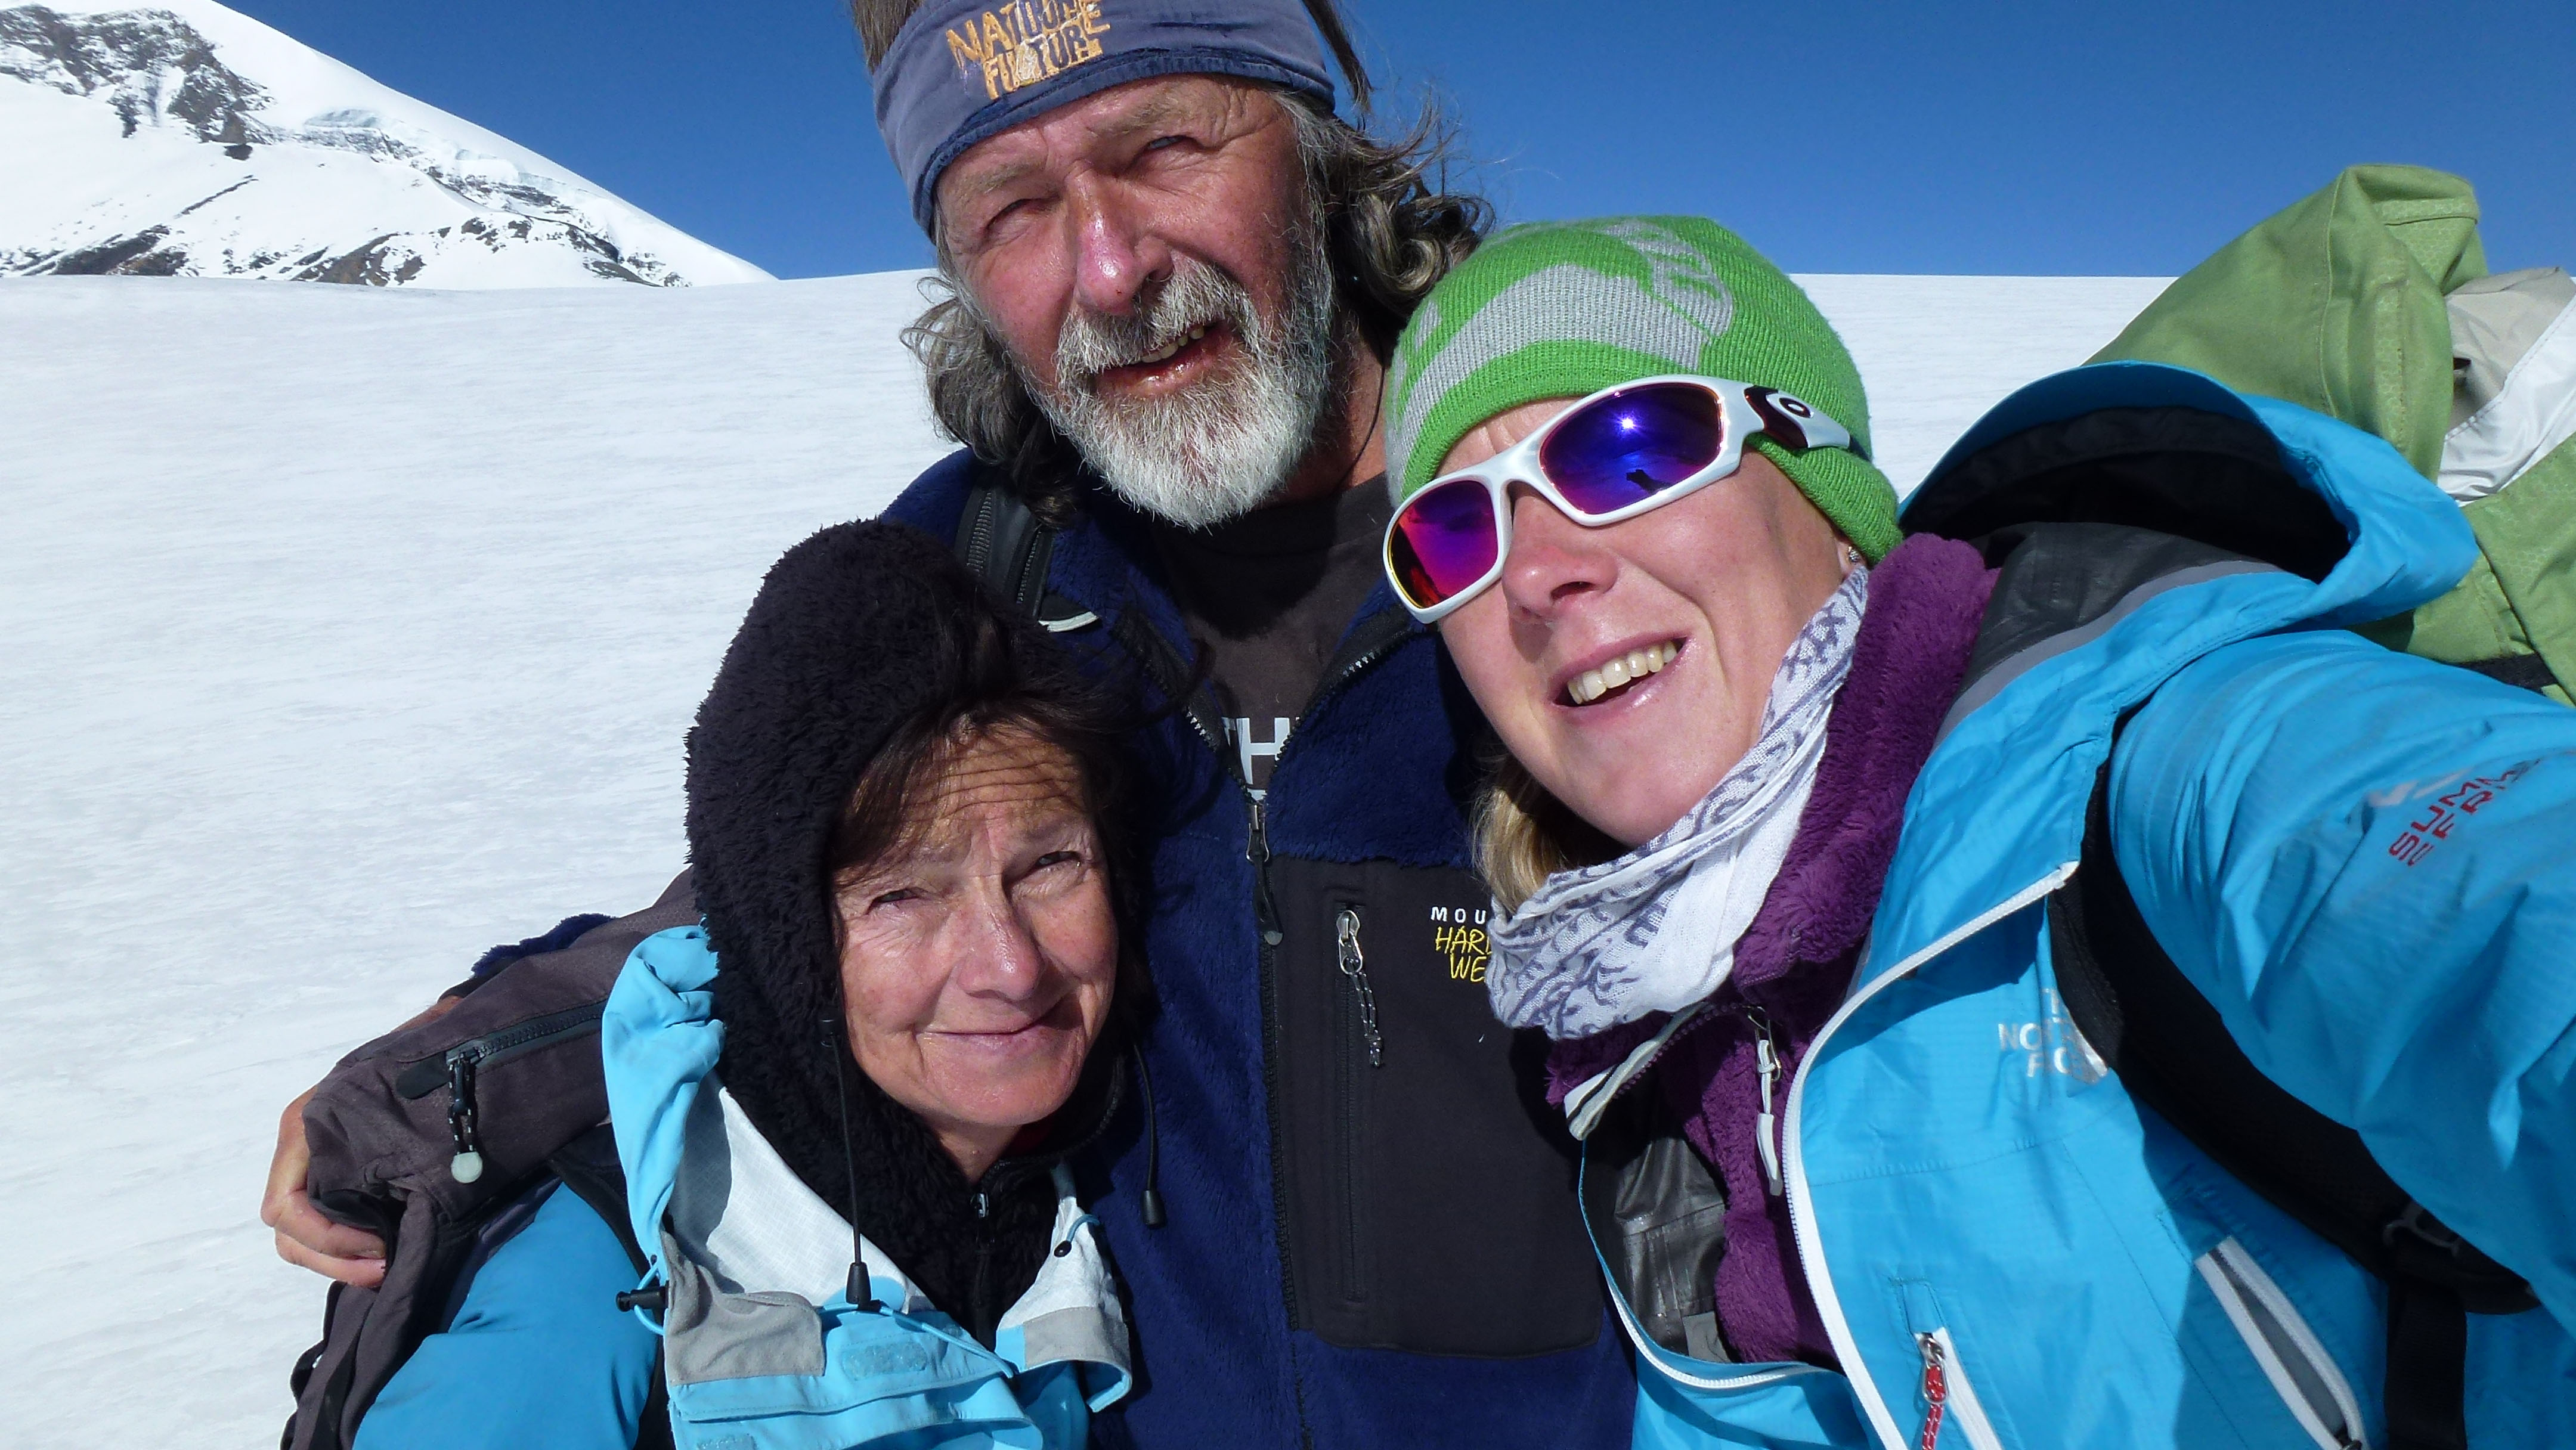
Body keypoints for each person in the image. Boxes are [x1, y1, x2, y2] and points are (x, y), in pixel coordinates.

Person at [267, 2, 1634, 1445]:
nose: (1110, 271)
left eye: (1163, 148)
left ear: (1315, 146)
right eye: (1013, 211)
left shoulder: (1591, 525)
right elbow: (785, 891)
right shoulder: (989, 564)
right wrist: (476, 1063)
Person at [1380, 215, 2576, 1446]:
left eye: (1629, 450)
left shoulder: (2184, 762)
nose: (1535, 574)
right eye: (1456, 531)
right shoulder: (1621, 1064)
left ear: (1822, 482)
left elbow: (2512, 934)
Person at [355, 523, 1141, 1448]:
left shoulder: (1101, 1179)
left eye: (1049, 863)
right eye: (901, 896)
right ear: (784, 941)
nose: (1012, 968)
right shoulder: (594, 1307)